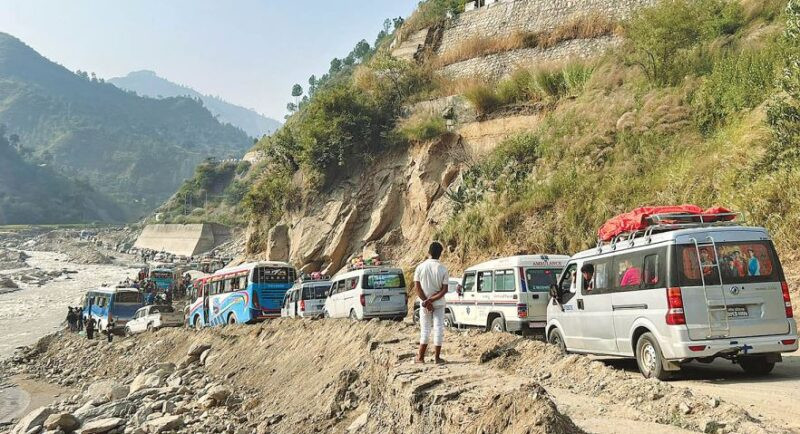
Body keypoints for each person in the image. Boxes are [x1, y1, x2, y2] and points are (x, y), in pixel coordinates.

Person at [414, 241, 449, 365]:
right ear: (440, 254)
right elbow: (444, 290)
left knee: (425, 330)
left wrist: (426, 301)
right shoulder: (443, 269)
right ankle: (437, 358)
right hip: (439, 303)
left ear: (429, 252)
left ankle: (421, 358)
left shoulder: (420, 267)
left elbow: (417, 288)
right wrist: (432, 300)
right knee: (439, 328)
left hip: (424, 305)